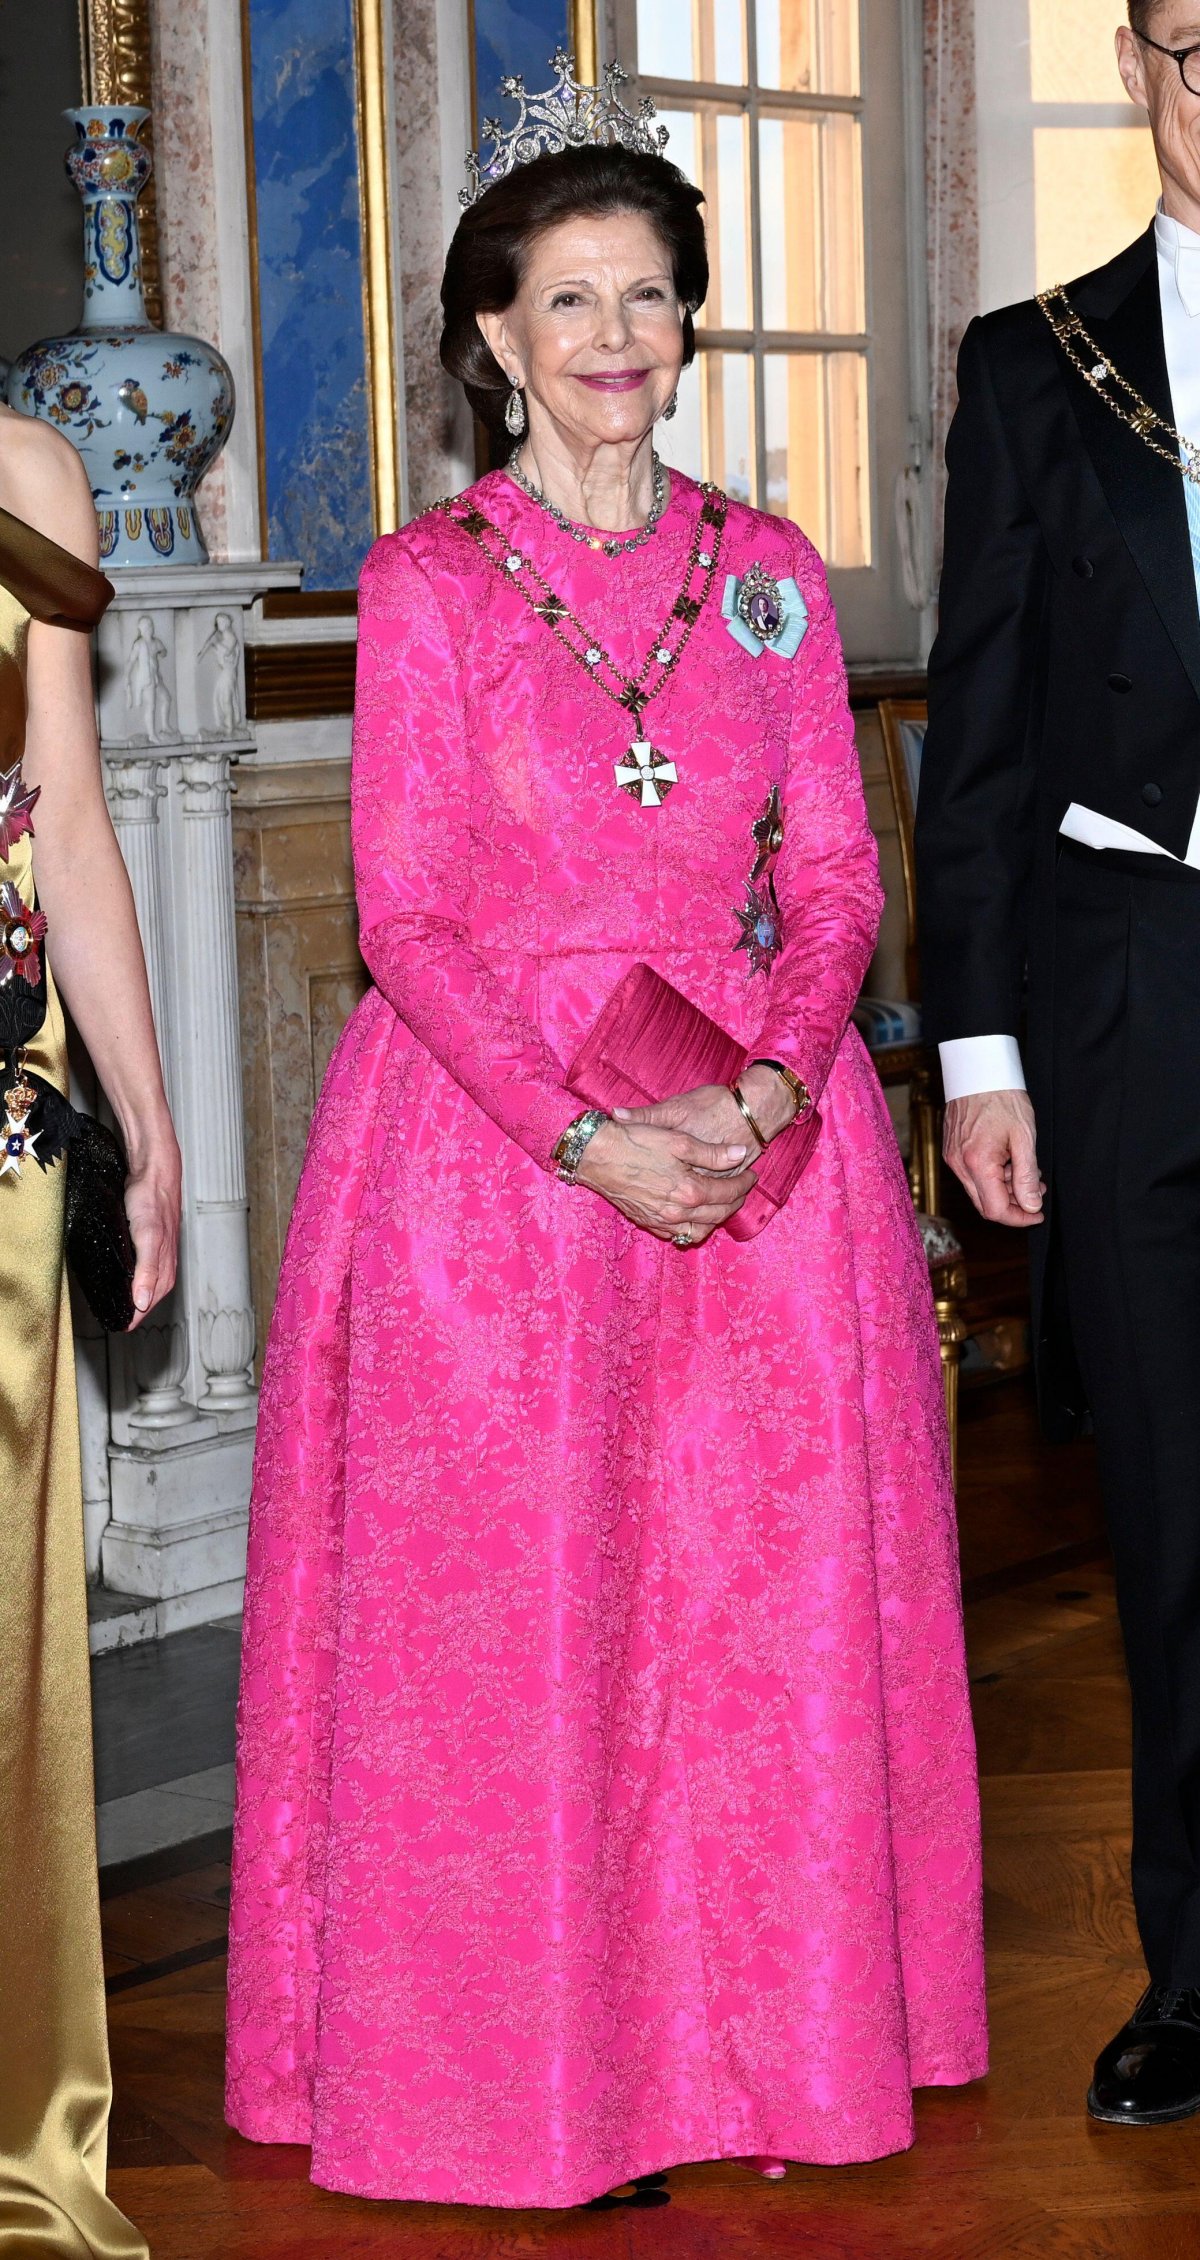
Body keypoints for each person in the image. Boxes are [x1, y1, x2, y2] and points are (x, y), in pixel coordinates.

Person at [226, 64, 985, 2209]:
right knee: (539, 1641)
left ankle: (762, 2048)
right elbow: (408, 911)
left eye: (650, 296)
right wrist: (588, 1136)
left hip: (759, 1145)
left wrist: (761, 1084)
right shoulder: (430, 581)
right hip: (497, 1170)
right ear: (494, 336)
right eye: (573, 300)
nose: (617, 339)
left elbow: (837, 865)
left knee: (745, 1628)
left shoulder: (765, 575)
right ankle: (541, 2079)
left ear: (687, 323)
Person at [917, 0, 1200, 2133]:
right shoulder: (1040, 363)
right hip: (1129, 988)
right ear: (1138, 63)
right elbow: (985, 731)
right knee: (1179, 1505)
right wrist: (982, 1044)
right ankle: (1199, 1966)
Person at [0, 407, 180, 2250]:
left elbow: (63, 816)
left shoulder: (28, 472)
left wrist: (148, 1114)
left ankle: (17, 2155)